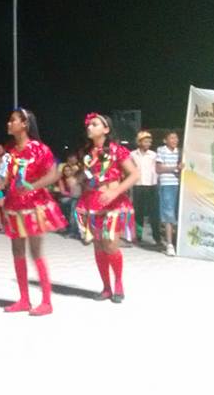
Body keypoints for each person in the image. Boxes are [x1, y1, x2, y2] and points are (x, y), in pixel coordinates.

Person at [0, 108, 66, 316]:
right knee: (17, 251)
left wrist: (32, 187)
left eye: (13, 120)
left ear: (25, 124)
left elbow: (54, 174)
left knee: (36, 251)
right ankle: (24, 299)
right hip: (14, 206)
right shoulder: (10, 152)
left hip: (34, 206)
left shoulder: (39, 149)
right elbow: (4, 179)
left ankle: (46, 301)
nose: (9, 123)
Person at [75, 113, 140, 303]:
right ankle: (106, 287)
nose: (89, 127)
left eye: (94, 124)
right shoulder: (87, 154)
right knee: (98, 246)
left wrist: (115, 191)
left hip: (113, 204)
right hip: (92, 204)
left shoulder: (117, 151)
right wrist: (80, 179)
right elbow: (86, 177)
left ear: (106, 129)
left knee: (110, 245)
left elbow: (134, 174)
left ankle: (118, 283)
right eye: (89, 124)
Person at [130, 130, 161, 246]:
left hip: (151, 186)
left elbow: (157, 169)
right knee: (138, 213)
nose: (148, 144)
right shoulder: (133, 155)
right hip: (138, 185)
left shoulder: (153, 155)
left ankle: (157, 238)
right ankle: (138, 236)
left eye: (149, 142)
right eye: (145, 141)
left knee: (154, 213)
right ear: (139, 142)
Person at [155, 131, 183, 256]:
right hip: (167, 184)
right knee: (168, 213)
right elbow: (158, 168)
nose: (175, 140)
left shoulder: (180, 152)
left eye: (176, 138)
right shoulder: (161, 150)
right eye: (171, 138)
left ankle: (178, 241)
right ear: (165, 140)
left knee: (178, 213)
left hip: (180, 184)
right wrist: (175, 168)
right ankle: (169, 244)